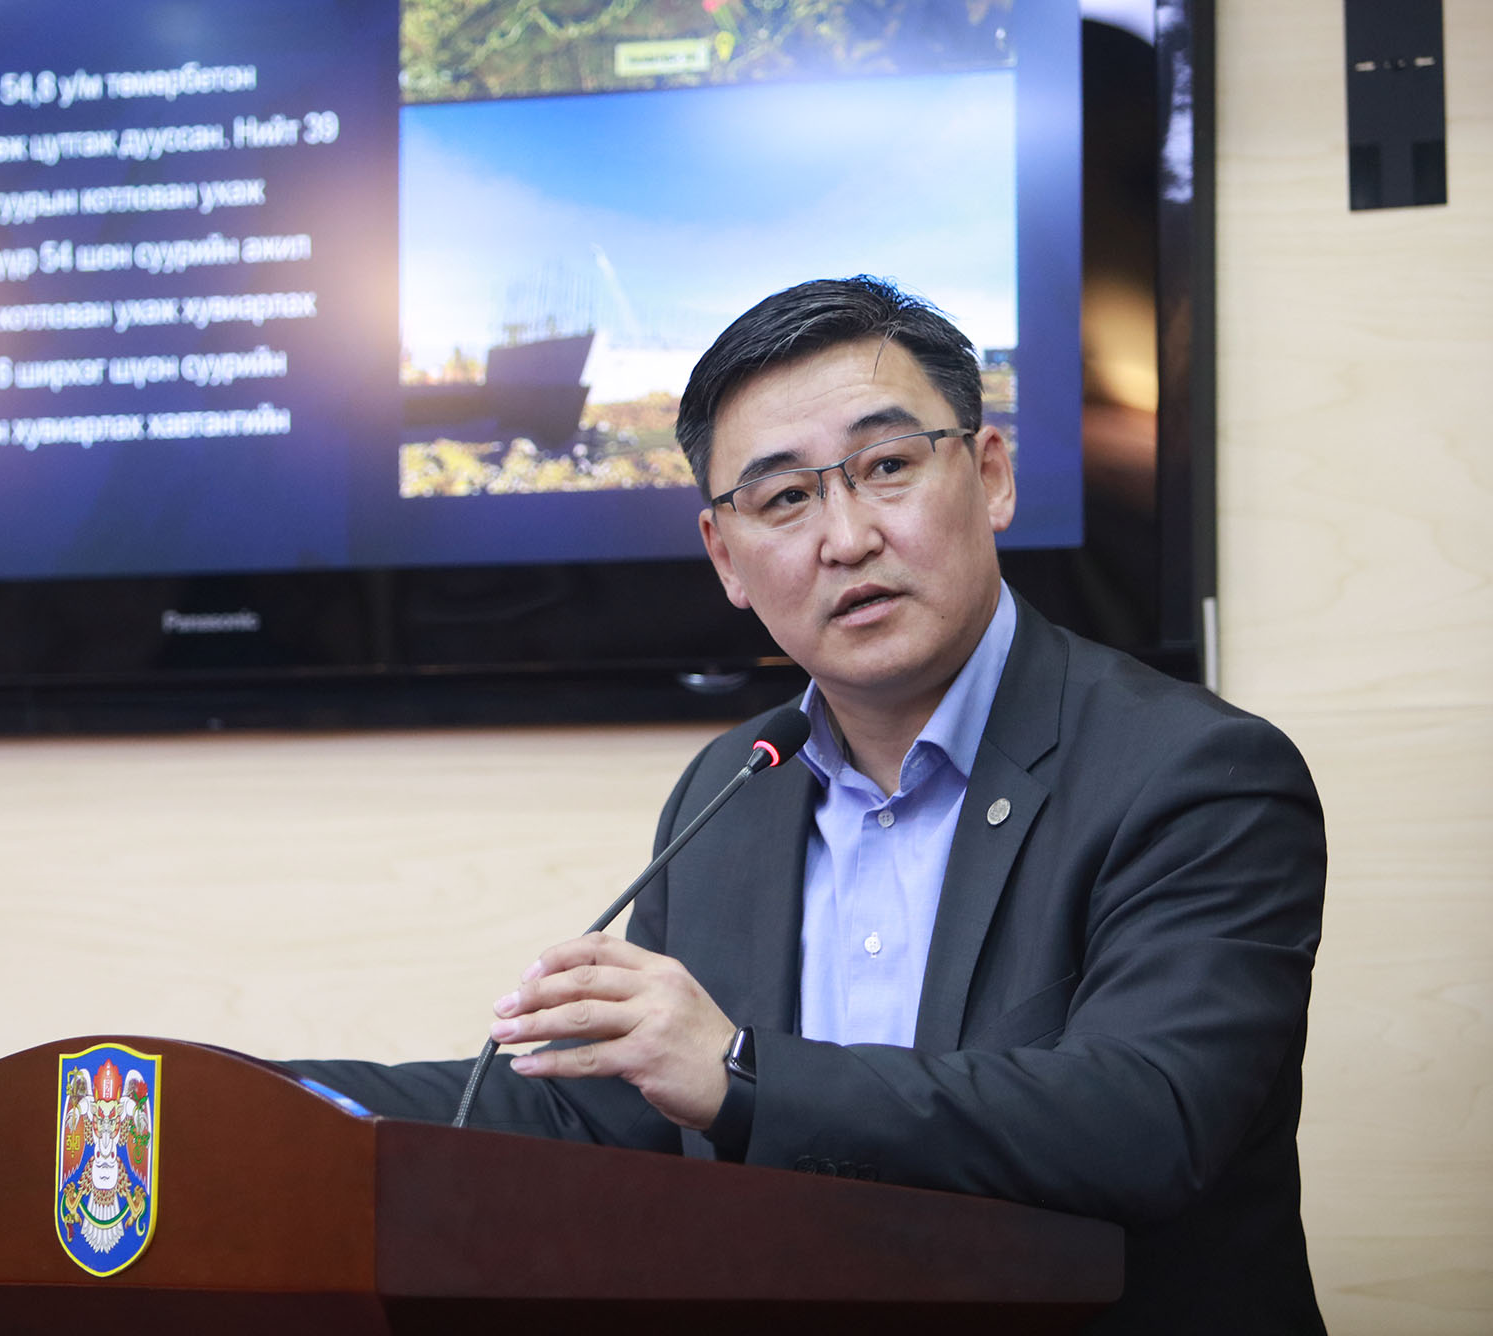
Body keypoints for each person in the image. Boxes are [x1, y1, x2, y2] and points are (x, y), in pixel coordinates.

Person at [292, 276, 1326, 1333]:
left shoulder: (1196, 773)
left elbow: (1146, 1123)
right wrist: (258, 1099)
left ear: (990, 475)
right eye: (784, 498)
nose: (846, 537)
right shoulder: (732, 787)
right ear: (725, 557)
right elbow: (612, 1120)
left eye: (887, 467)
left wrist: (743, 1075)